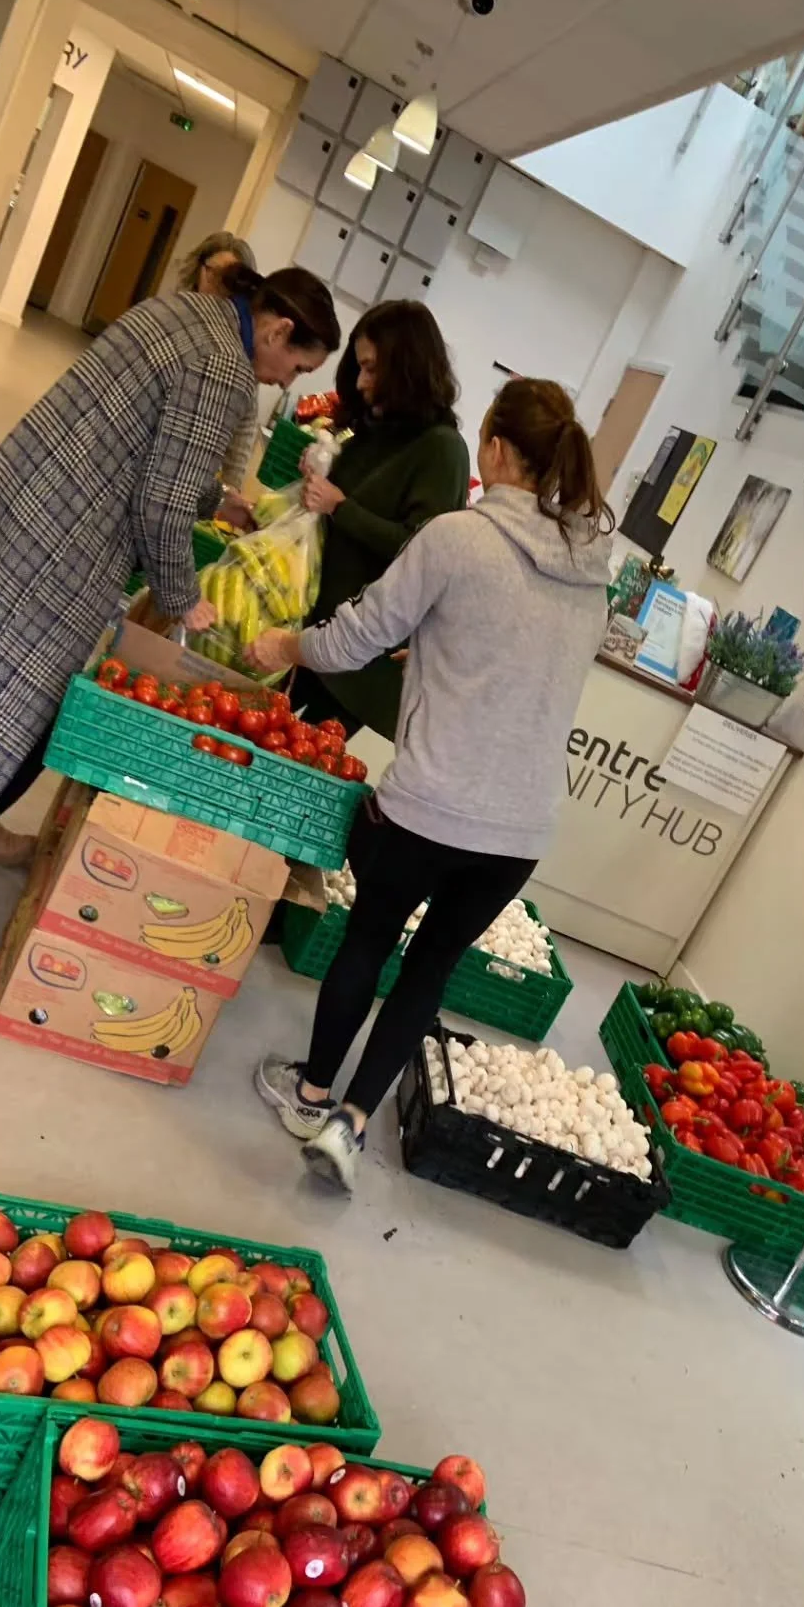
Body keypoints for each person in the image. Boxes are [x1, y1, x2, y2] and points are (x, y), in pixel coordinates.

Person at [0, 266, 341, 947]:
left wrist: (218, 502)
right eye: (297, 367)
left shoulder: (187, 312)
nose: (287, 383)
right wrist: (183, 597)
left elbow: (148, 451)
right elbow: (160, 502)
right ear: (279, 330)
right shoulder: (225, 368)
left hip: (23, 504)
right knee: (24, 712)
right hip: (62, 544)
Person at [248, 377, 613, 1192]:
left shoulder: (458, 537)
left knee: (369, 940)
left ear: (495, 448)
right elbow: (520, 657)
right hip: (517, 832)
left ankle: (311, 1095)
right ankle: (350, 1124)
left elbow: (358, 636)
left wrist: (287, 645)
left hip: (430, 808)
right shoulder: (593, 572)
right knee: (431, 968)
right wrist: (443, 645)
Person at [293, 299, 469, 740]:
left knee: (291, 764)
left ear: (406, 367)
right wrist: (320, 467)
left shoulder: (441, 449)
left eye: (371, 368)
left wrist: (340, 507)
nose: (361, 381)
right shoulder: (372, 429)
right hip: (310, 633)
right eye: (359, 367)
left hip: (357, 665)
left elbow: (423, 552)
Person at [176, 232, 260, 526]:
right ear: (199, 269)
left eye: (229, 280)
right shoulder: (175, 316)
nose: (217, 286)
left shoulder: (240, 344)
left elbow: (245, 424)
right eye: (213, 273)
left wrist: (231, 488)